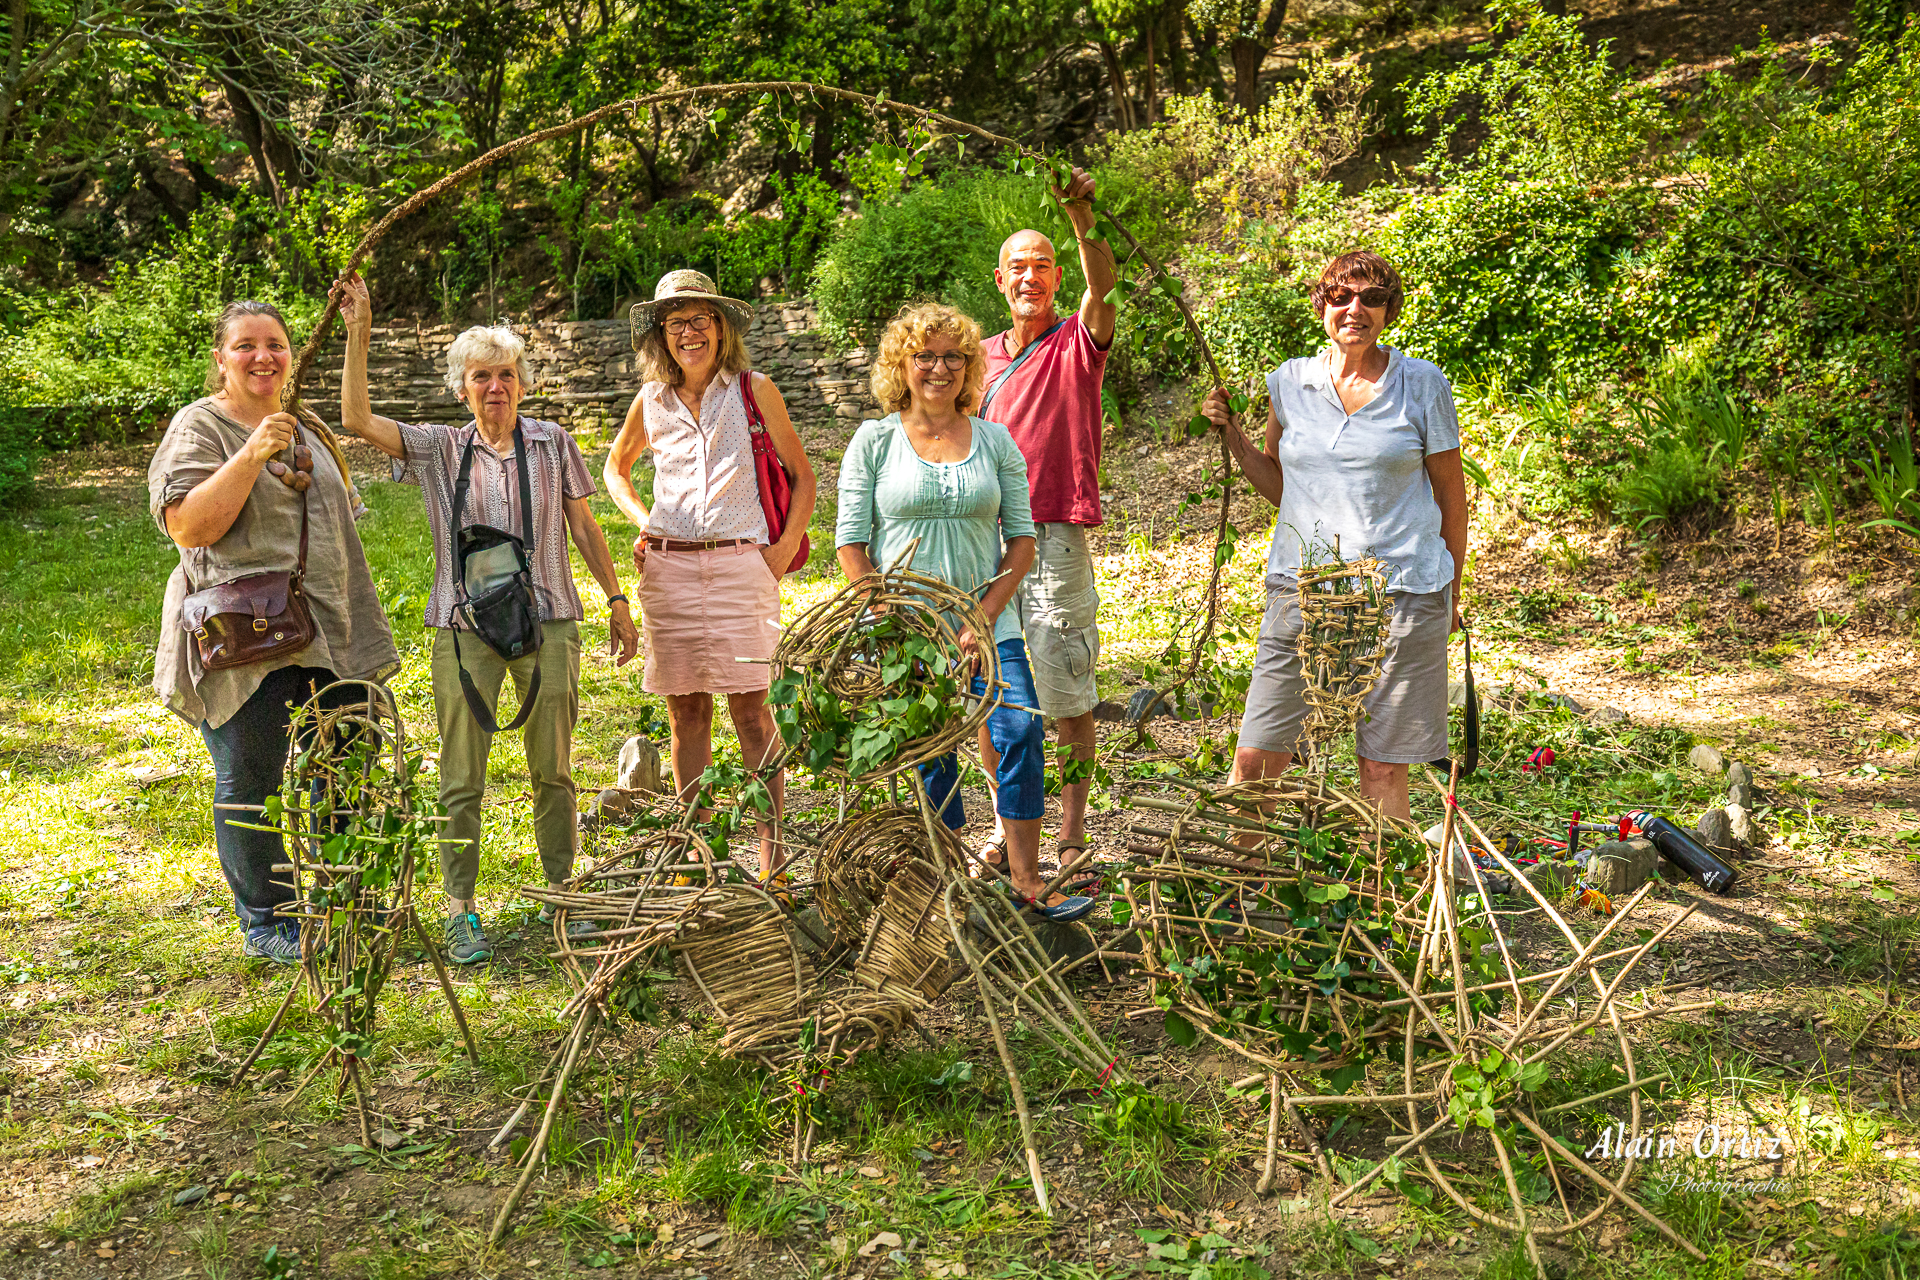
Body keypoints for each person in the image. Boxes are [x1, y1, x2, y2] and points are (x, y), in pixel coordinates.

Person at [334, 272, 639, 964]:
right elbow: (356, 422)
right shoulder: (441, 449)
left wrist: (618, 601)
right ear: (461, 387)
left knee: (554, 770)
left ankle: (566, 893)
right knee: (461, 774)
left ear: (522, 383)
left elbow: (585, 528)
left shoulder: (553, 443)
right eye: (480, 377)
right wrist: (360, 330)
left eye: (505, 375)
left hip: (551, 620)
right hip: (463, 627)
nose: (494, 388)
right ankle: (460, 909)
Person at [150, 300, 399, 964]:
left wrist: (357, 337)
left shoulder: (307, 427)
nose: (263, 356)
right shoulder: (199, 427)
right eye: (245, 346)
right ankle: (269, 919)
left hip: (329, 625)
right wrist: (252, 454)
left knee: (346, 769)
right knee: (251, 776)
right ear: (220, 358)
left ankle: (349, 903)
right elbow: (189, 528)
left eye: (276, 344)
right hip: (245, 635)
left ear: (291, 353)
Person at [837, 302, 1094, 922]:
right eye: (924, 355)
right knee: (933, 749)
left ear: (970, 365)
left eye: (954, 356)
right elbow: (850, 545)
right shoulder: (874, 441)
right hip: (907, 630)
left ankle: (1027, 879)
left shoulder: (994, 438)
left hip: (989, 622)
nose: (939, 368)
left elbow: (1023, 540)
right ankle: (947, 881)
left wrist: (980, 616)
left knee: (1021, 731)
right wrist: (907, 621)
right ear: (902, 364)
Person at [1200, 251, 1469, 821]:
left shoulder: (1422, 384)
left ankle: (1383, 894)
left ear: (1389, 310)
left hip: (1403, 590)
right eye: (1342, 297)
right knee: (1257, 754)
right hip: (1304, 588)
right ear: (1322, 304)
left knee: (1381, 764)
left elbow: (1450, 495)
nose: (1356, 310)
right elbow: (1282, 486)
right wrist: (1236, 441)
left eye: (1372, 298)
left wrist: (1452, 594)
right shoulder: (1289, 383)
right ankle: (1241, 882)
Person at [602, 270, 817, 886]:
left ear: (721, 328)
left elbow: (803, 476)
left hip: (740, 566)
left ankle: (772, 862)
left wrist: (780, 554)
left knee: (754, 714)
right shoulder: (651, 399)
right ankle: (699, 858)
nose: (689, 332)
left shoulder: (755, 389)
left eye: (700, 319)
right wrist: (645, 519)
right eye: (676, 323)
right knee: (686, 715)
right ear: (661, 335)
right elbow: (616, 469)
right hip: (668, 571)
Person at [974, 166, 1119, 877]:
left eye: (1042, 266)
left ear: (1056, 276)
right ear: (998, 279)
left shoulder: (1078, 340)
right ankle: (1009, 829)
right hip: (984, 543)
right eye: (1017, 267)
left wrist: (1081, 216)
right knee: (994, 692)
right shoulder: (976, 359)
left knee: (1066, 689)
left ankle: (1069, 832)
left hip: (1053, 533)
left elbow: (1104, 286)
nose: (1030, 277)